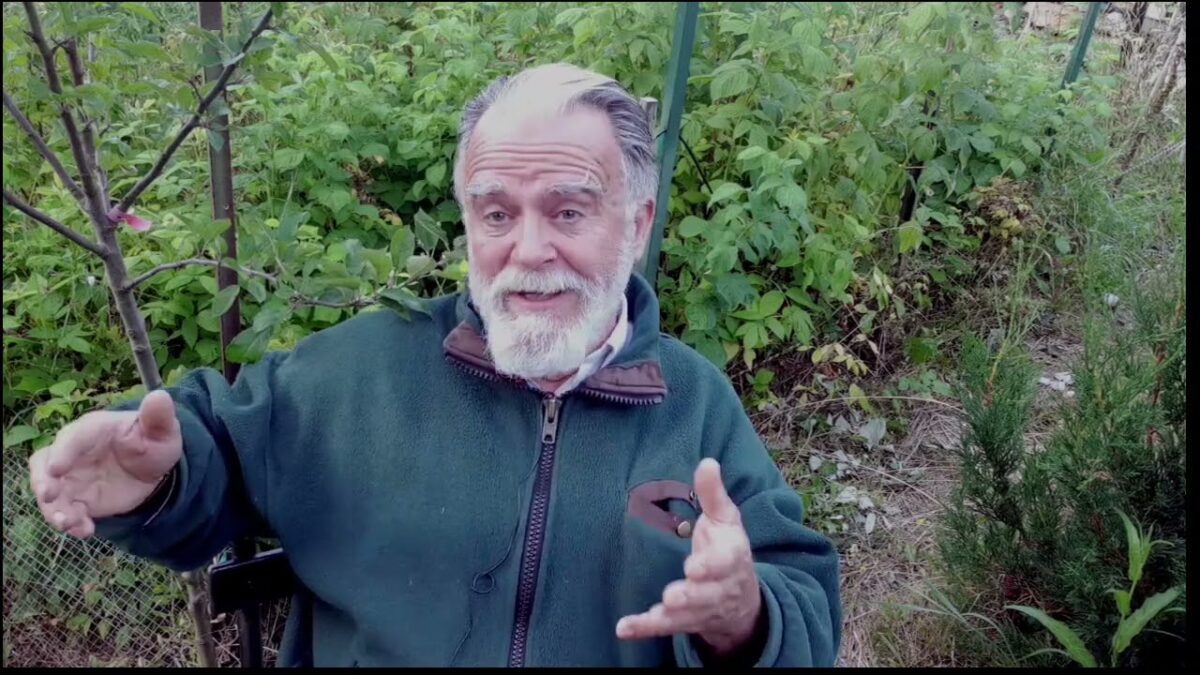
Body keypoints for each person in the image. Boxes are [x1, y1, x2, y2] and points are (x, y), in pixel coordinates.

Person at [27, 63, 841, 667]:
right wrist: (157, 478)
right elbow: (217, 448)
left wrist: (743, 615)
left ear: (636, 222)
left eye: (567, 211)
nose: (529, 249)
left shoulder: (693, 405)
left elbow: (802, 603)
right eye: (497, 214)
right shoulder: (359, 373)